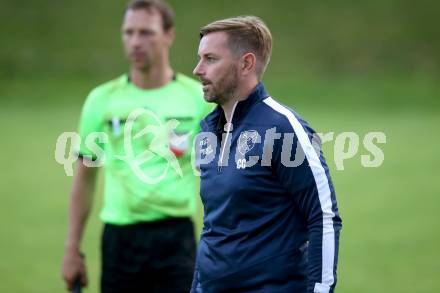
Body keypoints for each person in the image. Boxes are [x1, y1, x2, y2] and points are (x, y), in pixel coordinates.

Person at [61, 1, 211, 292]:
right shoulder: (101, 99)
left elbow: (219, 177)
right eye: (128, 33)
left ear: (169, 35)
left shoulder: (197, 99)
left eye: (146, 33)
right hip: (120, 240)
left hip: (177, 239)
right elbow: (85, 179)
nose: (135, 42)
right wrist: (71, 249)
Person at [191, 16, 342, 293]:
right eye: (200, 58)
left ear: (246, 63)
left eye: (210, 59)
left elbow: (324, 217)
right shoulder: (205, 132)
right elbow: (213, 226)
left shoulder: (284, 128)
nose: (197, 69)